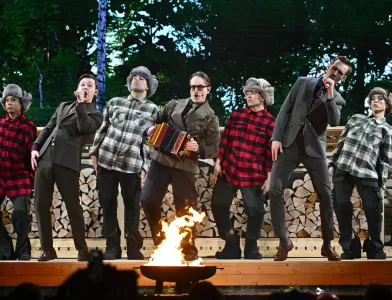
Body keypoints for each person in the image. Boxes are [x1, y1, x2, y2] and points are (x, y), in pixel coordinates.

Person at [269, 56, 352, 261]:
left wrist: (330, 95)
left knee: (325, 194)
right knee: (274, 189)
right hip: (289, 144)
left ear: (343, 77)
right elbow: (285, 110)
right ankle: (283, 242)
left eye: (341, 73)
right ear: (329, 66)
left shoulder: (338, 98)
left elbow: (334, 122)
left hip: (314, 149)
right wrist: (276, 138)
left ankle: (327, 245)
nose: (336, 73)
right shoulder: (303, 82)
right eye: (335, 68)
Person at [141, 71, 220, 260]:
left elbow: (214, 149)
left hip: (185, 166)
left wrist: (198, 149)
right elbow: (154, 120)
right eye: (193, 87)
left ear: (207, 90)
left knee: (185, 210)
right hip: (160, 159)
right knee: (147, 200)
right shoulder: (174, 104)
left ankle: (188, 251)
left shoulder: (211, 117)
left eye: (200, 87)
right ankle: (161, 244)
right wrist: (149, 129)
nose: (196, 91)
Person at [31, 74, 103, 261]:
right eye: (82, 84)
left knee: (72, 205)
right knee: (40, 204)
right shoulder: (63, 106)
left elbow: (84, 126)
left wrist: (80, 104)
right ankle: (48, 249)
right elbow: (49, 127)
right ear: (77, 88)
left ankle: (82, 249)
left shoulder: (96, 114)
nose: (85, 87)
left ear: (95, 92)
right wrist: (35, 147)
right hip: (45, 158)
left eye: (89, 85)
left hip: (67, 160)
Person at [89, 66, 159, 260]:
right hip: (106, 160)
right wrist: (94, 153)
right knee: (108, 203)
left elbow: (150, 143)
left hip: (132, 164)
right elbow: (102, 130)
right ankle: (112, 247)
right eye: (134, 77)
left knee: (133, 206)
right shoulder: (114, 103)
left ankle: (133, 248)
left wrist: (145, 167)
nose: (137, 79)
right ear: (129, 83)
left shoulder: (153, 110)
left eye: (142, 78)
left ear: (148, 86)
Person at [211, 78, 275, 259]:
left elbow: (270, 153)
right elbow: (225, 141)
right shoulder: (236, 115)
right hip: (229, 168)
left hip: (254, 173)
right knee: (218, 205)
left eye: (252, 92)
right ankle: (231, 244)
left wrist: (269, 177)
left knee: (255, 211)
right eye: (247, 92)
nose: (248, 95)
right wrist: (218, 162)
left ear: (262, 97)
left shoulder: (271, 122)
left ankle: (251, 248)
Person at [331, 87, 392, 260]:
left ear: (387, 105)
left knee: (373, 209)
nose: (375, 101)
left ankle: (375, 247)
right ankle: (350, 245)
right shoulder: (355, 119)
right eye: (373, 98)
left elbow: (386, 159)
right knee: (341, 206)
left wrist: (381, 179)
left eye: (380, 99)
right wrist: (332, 165)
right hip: (343, 167)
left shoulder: (387, 129)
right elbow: (340, 144)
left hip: (367, 171)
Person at [0, 84, 36, 260]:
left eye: (14, 100)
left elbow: (30, 156)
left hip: (19, 176)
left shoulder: (28, 127)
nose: (9, 103)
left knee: (20, 215)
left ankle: (23, 251)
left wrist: (31, 181)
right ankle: (5, 250)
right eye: (7, 100)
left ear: (21, 104)